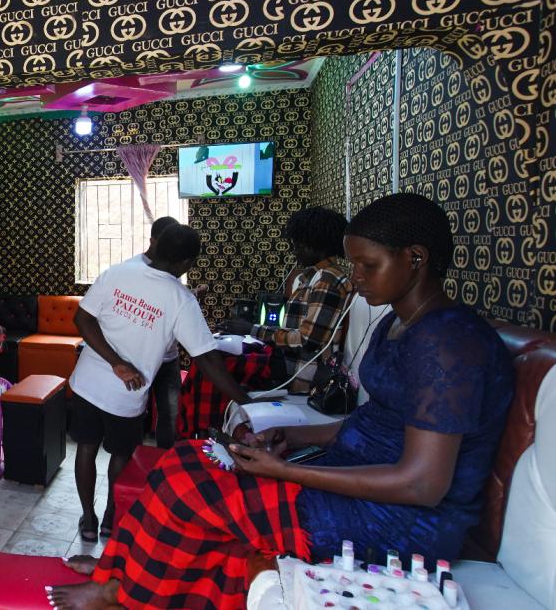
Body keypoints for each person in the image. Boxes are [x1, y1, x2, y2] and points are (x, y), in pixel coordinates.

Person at [48, 194, 514, 609]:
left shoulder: (450, 343)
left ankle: (123, 593)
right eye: (353, 264)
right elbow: (372, 423)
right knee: (181, 460)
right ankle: (121, 571)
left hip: (397, 520)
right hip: (351, 475)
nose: (354, 278)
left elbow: (422, 486)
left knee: (189, 489)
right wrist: (288, 435)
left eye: (367, 266)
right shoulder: (397, 325)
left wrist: (283, 470)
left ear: (415, 259)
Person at [70, 224, 254, 543]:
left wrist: (113, 361)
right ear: (186, 264)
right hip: (124, 395)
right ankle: (111, 518)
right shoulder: (181, 299)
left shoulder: (118, 272)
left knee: (86, 449)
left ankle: (88, 518)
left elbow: (82, 321)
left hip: (85, 383)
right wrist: (248, 402)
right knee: (121, 456)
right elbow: (207, 360)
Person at [221, 207, 352, 390]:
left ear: (317, 244)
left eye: (299, 245)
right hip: (291, 373)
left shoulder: (327, 281)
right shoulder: (312, 278)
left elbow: (307, 340)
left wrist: (253, 329)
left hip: (304, 382)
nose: (295, 251)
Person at [126, 216, 209, 448]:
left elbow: (167, 306)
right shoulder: (134, 270)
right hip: (137, 357)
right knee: (133, 413)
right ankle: (130, 463)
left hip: (168, 359)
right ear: (153, 241)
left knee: (170, 414)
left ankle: (164, 464)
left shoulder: (170, 270)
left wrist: (190, 296)